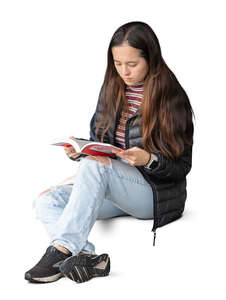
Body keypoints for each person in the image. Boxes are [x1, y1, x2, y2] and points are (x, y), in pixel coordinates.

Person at [25, 21, 195, 284]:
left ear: (151, 59)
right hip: (115, 187)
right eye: (117, 63)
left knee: (93, 168)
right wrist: (81, 151)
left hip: (152, 194)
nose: (124, 71)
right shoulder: (111, 90)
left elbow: (181, 166)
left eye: (132, 64)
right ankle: (87, 258)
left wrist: (148, 159)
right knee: (46, 200)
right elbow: (100, 143)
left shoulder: (172, 99)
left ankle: (59, 252)